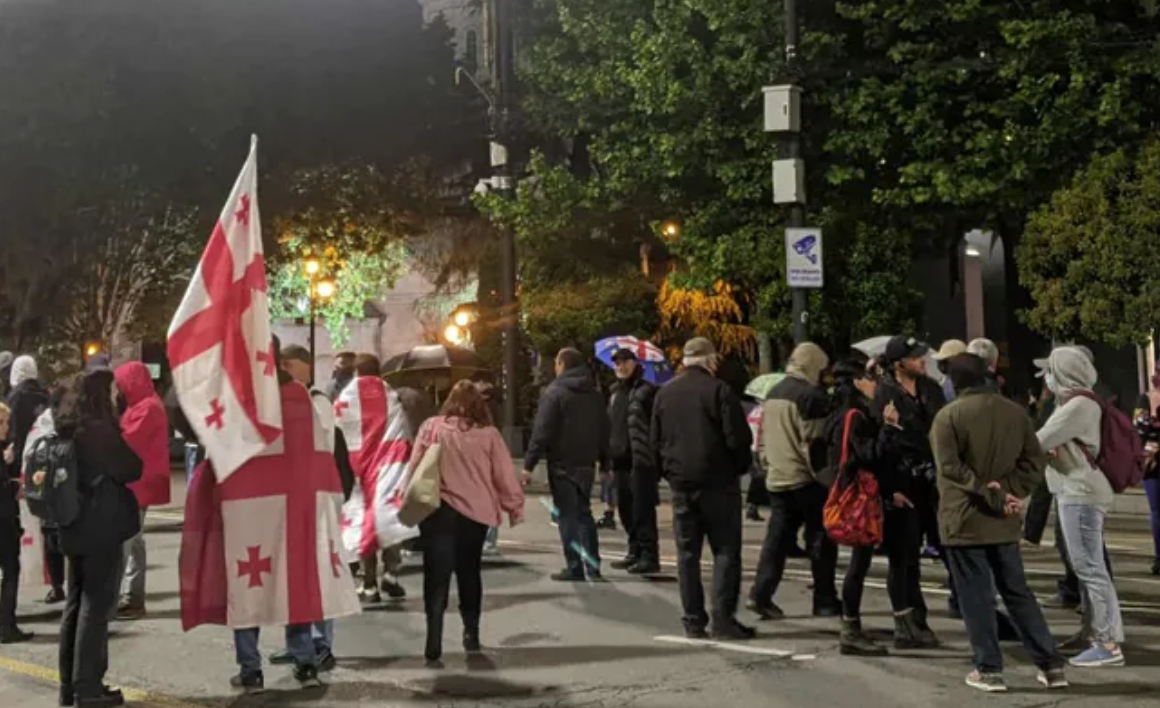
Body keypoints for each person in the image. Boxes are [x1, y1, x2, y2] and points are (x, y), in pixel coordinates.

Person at [930, 353, 1065, 692]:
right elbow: (1034, 461)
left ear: (955, 382)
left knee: (977, 597)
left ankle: (989, 668)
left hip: (964, 518)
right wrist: (1010, 491)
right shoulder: (1015, 413)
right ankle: (1050, 664)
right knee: (1018, 593)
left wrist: (989, 492)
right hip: (1005, 517)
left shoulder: (948, 417)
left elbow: (950, 467)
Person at [405, 381, 525, 665]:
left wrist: (405, 499)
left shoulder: (431, 427)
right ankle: (471, 633)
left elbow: (415, 467)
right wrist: (514, 507)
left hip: (438, 511)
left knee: (436, 574)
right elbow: (503, 475)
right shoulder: (489, 435)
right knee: (469, 571)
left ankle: (433, 638)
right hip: (476, 515)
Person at [651, 338, 754, 640]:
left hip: (681, 484)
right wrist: (737, 468)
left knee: (687, 554)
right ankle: (723, 619)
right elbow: (738, 439)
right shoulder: (719, 391)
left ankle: (693, 619)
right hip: (718, 483)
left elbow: (655, 441)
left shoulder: (665, 393)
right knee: (725, 550)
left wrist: (669, 473)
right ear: (710, 359)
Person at [53, 371, 144, 707]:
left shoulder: (67, 427)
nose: (117, 395)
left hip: (72, 526)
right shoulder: (99, 430)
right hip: (100, 528)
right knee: (95, 608)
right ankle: (88, 688)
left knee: (75, 605)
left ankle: (69, 686)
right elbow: (132, 467)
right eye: (112, 390)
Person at [1035, 347, 1125, 668]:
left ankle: (1108, 643)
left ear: (1064, 373)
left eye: (1050, 371)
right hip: (1075, 490)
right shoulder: (1076, 403)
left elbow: (1038, 441)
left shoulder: (1078, 405)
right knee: (1085, 566)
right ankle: (1092, 632)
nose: (1046, 378)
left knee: (1090, 567)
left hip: (1082, 493)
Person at [824, 359, 920, 655]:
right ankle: (852, 629)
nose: (876, 384)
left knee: (871, 561)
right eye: (870, 378)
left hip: (865, 495)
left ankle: (889, 624)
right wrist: (888, 428)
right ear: (857, 382)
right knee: (862, 563)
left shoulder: (842, 414)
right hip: (862, 499)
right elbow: (870, 456)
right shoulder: (855, 417)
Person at [749, 342, 837, 620]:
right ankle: (824, 599)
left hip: (778, 477)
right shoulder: (811, 396)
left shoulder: (774, 392)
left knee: (776, 542)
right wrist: (826, 478)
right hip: (805, 479)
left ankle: (760, 594)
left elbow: (762, 439)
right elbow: (814, 444)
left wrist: (768, 465)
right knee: (820, 539)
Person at [873, 336, 944, 633]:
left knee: (948, 548)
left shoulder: (931, 388)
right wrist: (890, 488)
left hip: (934, 479)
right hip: (903, 480)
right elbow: (882, 447)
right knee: (905, 556)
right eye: (915, 357)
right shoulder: (884, 394)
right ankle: (911, 620)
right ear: (899, 363)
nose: (922, 361)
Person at [524, 349, 608, 582]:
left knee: (568, 516)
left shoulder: (555, 393)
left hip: (562, 464)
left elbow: (542, 432)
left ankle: (574, 566)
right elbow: (604, 430)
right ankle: (593, 567)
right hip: (587, 464)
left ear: (562, 364)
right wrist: (606, 463)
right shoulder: (595, 394)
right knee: (584, 513)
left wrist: (528, 465)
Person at [112, 362, 170, 620]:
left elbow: (127, 439)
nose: (119, 389)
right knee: (134, 540)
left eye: (121, 383)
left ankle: (123, 597)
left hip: (139, 482)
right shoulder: (143, 404)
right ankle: (132, 597)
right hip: (139, 481)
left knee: (127, 540)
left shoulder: (147, 408)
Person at [7, 356, 62, 604]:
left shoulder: (15, 397)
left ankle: (25, 574)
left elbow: (13, 435)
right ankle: (56, 582)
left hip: (21, 468)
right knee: (50, 525)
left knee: (25, 526)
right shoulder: (45, 395)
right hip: (48, 467)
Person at [606, 348, 660, 574]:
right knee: (625, 509)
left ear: (635, 363)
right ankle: (634, 550)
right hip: (619, 461)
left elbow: (656, 424)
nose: (621, 366)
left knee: (642, 510)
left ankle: (649, 555)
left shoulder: (647, 391)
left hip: (641, 460)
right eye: (617, 362)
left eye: (625, 361)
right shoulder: (614, 391)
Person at [0, 401, 33, 644]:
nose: (6, 427)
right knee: (11, 570)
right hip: (3, 521)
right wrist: (14, 487)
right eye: (2, 422)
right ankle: (7, 626)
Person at [1134, 374, 1160, 575]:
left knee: (1157, 512)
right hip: (1153, 464)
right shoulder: (1146, 399)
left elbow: (1140, 431)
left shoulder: (1147, 399)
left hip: (1153, 461)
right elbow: (1139, 430)